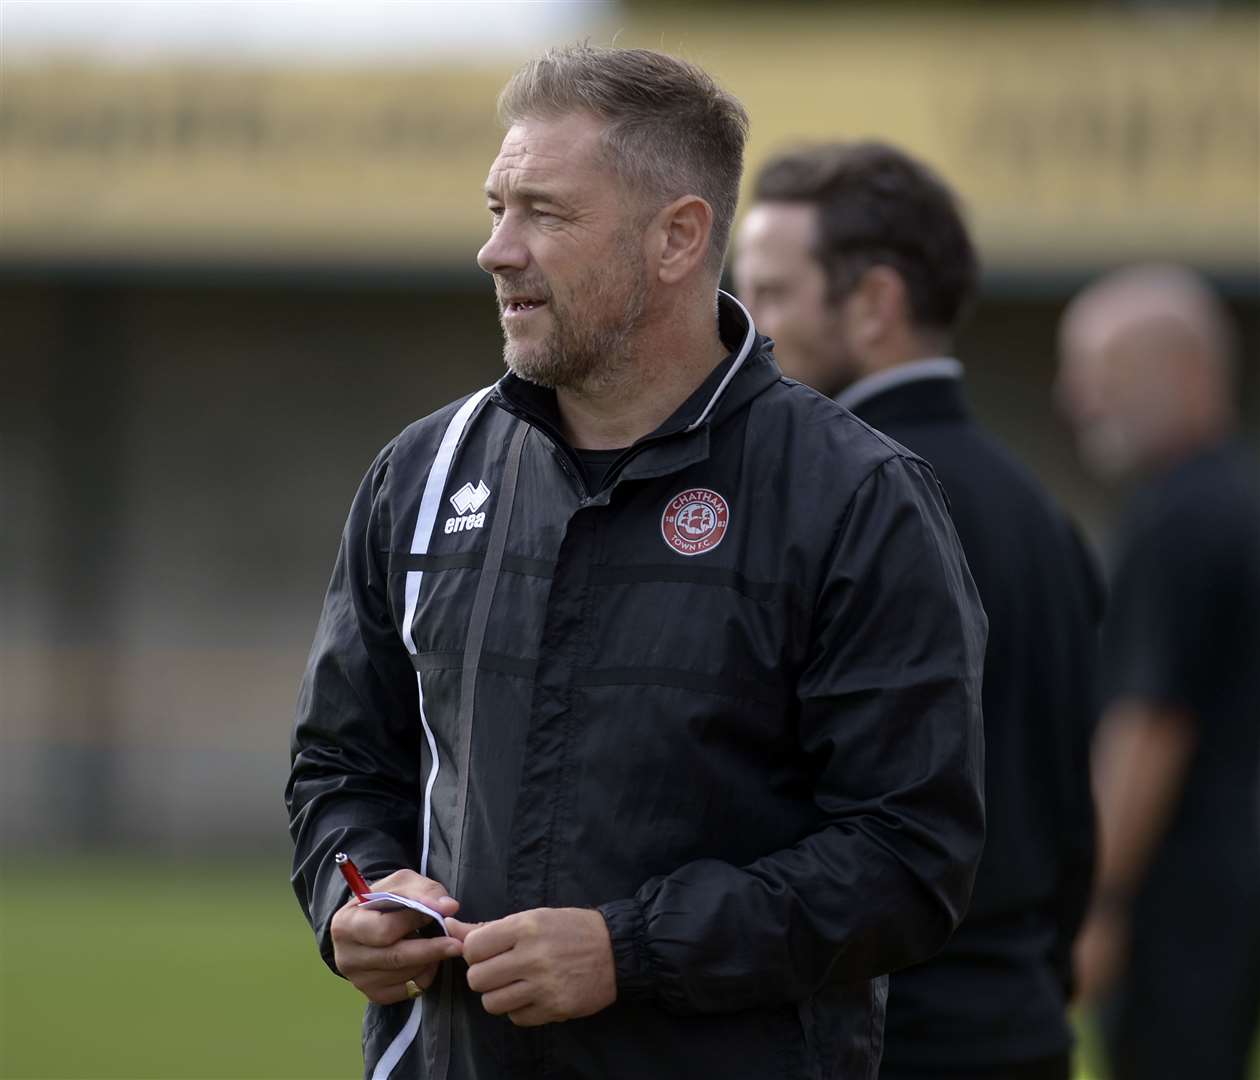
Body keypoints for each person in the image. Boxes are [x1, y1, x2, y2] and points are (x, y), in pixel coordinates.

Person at [287, 46, 987, 1080]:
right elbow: (342, 766)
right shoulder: (426, 472)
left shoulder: (854, 495)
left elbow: (907, 857)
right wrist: (357, 895)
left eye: (545, 214)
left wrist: (631, 951)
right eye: (494, 207)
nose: (496, 250)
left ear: (678, 237)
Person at [734, 141, 1100, 1080]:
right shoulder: (1041, 512)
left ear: (876, 304)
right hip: (1022, 1022)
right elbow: (1072, 807)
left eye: (771, 295)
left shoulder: (835, 505)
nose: (743, 330)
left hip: (888, 1032)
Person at [1057, 264, 1260, 1080]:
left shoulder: (1175, 520)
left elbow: (1150, 724)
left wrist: (1100, 903)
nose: (1078, 400)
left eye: (1101, 372)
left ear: (1185, 370)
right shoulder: (1239, 501)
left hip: (1181, 897)